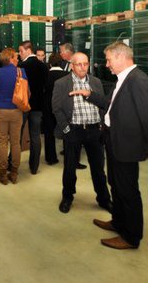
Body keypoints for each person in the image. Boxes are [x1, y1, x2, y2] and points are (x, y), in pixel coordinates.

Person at [71, 42, 148, 249]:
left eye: (109, 60)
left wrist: (143, 142)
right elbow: (109, 105)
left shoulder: (138, 80)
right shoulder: (123, 79)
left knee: (128, 190)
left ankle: (131, 237)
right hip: (114, 141)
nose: (107, 64)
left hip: (127, 145)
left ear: (120, 57)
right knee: (116, 185)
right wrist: (89, 95)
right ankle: (118, 222)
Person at [51, 52, 111, 214]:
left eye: (86, 64)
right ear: (72, 66)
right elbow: (56, 108)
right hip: (74, 130)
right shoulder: (62, 83)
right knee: (70, 168)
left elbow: (103, 104)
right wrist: (66, 129)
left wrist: (101, 125)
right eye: (79, 64)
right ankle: (67, 197)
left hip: (94, 130)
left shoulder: (96, 82)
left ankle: (104, 199)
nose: (83, 67)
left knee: (98, 168)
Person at [0, 48, 26, 184]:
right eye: (15, 56)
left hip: (0, 110)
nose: (17, 58)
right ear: (10, 58)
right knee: (16, 142)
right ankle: (14, 173)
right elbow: (27, 92)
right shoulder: (21, 72)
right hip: (16, 111)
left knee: (2, 142)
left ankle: (3, 174)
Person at [18, 40, 48, 174]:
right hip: (38, 106)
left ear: (28, 50)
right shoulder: (43, 66)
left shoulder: (21, 66)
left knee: (17, 135)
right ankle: (34, 167)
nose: (19, 54)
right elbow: (45, 87)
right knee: (35, 136)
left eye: (21, 51)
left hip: (23, 105)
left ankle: (13, 163)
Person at [59, 43, 87, 170]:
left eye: (62, 51)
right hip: (66, 102)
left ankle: (75, 160)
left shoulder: (79, 66)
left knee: (76, 135)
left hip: (77, 104)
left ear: (68, 52)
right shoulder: (64, 63)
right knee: (68, 131)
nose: (60, 54)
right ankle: (68, 153)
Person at [42, 53, 66, 165]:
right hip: (63, 106)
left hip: (48, 106)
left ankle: (51, 158)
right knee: (67, 130)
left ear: (50, 64)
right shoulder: (67, 75)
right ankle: (69, 156)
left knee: (49, 133)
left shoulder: (45, 75)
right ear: (61, 63)